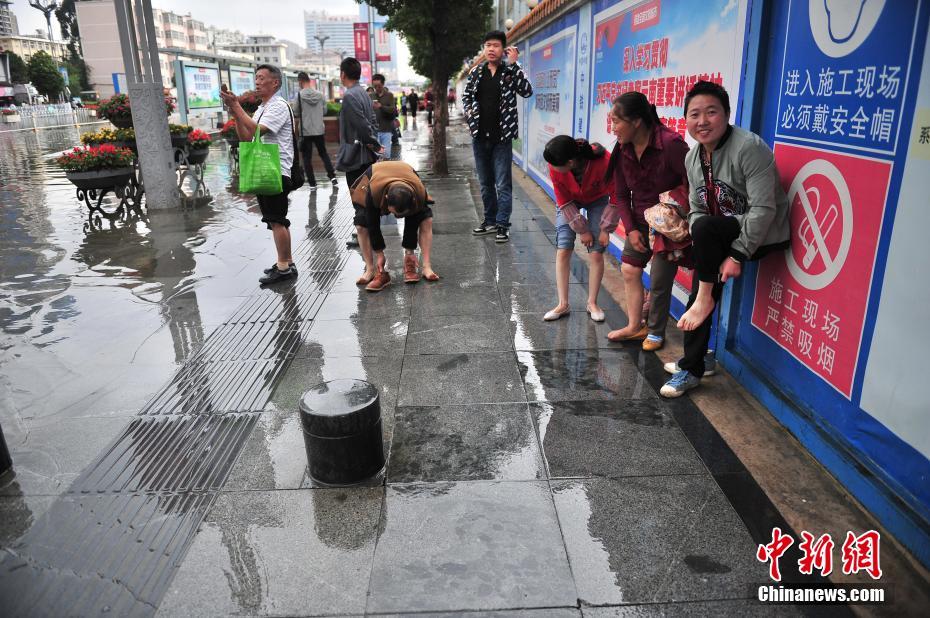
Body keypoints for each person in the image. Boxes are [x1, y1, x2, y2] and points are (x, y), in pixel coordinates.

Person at [660, 81, 790, 398]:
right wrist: (695, 228)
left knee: (703, 269)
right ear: (686, 120)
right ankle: (695, 364)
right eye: (694, 114)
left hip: (765, 233)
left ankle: (694, 360)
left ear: (727, 114)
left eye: (711, 112)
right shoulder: (693, 158)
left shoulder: (749, 148)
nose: (702, 121)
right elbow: (696, 209)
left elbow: (764, 209)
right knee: (702, 239)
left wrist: (736, 255)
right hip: (720, 232)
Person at [603, 92, 690, 352]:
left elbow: (692, 183)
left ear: (637, 121)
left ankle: (655, 331)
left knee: (660, 280)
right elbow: (620, 194)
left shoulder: (671, 143)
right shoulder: (622, 147)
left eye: (617, 121)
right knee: (630, 270)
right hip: (639, 220)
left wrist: (682, 219)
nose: (614, 128)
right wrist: (630, 229)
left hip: (667, 224)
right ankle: (634, 325)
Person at [220, 64, 298, 286]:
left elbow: (257, 130)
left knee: (277, 219)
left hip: (277, 168)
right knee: (274, 220)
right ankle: (286, 262)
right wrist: (235, 111)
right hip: (267, 167)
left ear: (275, 82)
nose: (257, 81)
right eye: (256, 77)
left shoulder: (278, 106)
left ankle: (284, 267)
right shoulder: (263, 107)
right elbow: (246, 137)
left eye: (262, 78)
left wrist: (237, 105)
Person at [462, 30, 533, 243]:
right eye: (488, 45)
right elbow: (466, 97)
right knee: (485, 183)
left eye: (495, 45)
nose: (491, 49)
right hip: (479, 137)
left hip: (502, 138)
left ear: (504, 49)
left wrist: (513, 65)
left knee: (503, 184)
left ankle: (502, 224)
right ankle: (490, 221)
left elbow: (527, 91)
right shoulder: (476, 72)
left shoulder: (510, 71)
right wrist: (471, 116)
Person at [543, 136, 619, 323]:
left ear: (570, 162)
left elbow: (617, 195)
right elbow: (563, 200)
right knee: (564, 248)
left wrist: (605, 229)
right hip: (570, 202)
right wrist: (582, 230)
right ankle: (563, 304)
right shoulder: (555, 166)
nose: (551, 168)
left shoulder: (604, 161)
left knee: (596, 253)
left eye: (554, 165)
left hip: (597, 199)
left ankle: (592, 303)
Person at [351, 160, 440, 291]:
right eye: (394, 213)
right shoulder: (374, 192)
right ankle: (370, 269)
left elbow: (413, 219)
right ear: (386, 198)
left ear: (413, 201)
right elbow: (373, 223)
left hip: (407, 177)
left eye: (402, 215)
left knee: (426, 219)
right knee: (361, 225)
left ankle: (426, 267)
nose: (397, 217)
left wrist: (410, 251)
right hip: (372, 178)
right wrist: (379, 253)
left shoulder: (419, 192)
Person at [335, 57, 382, 190]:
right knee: (366, 198)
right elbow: (373, 122)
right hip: (366, 156)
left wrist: (376, 145)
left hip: (355, 157)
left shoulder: (350, 96)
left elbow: (362, 126)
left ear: (343, 74)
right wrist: (373, 143)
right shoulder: (363, 93)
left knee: (359, 200)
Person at [294, 71, 337, 190]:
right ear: (309, 80)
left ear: (300, 81)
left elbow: (296, 112)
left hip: (305, 131)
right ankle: (332, 177)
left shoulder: (299, 96)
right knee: (323, 154)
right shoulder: (320, 95)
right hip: (319, 130)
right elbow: (324, 111)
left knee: (306, 158)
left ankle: (312, 183)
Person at [370, 74, 397, 159]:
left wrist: (381, 106)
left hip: (386, 129)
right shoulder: (371, 96)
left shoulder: (389, 95)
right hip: (374, 131)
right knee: (377, 156)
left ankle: (385, 171)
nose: (377, 88)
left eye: (379, 86)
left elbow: (392, 109)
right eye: (375, 86)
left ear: (383, 84)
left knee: (386, 155)